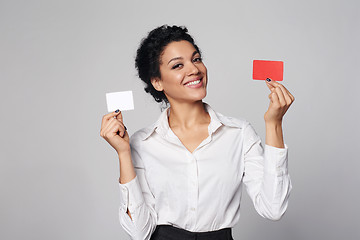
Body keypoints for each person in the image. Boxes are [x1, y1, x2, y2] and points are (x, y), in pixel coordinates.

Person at [100, 25, 294, 240]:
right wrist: (124, 153)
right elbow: (139, 232)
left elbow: (273, 208)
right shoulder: (143, 143)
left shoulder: (238, 133)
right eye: (178, 65)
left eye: (196, 59)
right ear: (157, 82)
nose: (194, 70)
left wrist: (274, 124)